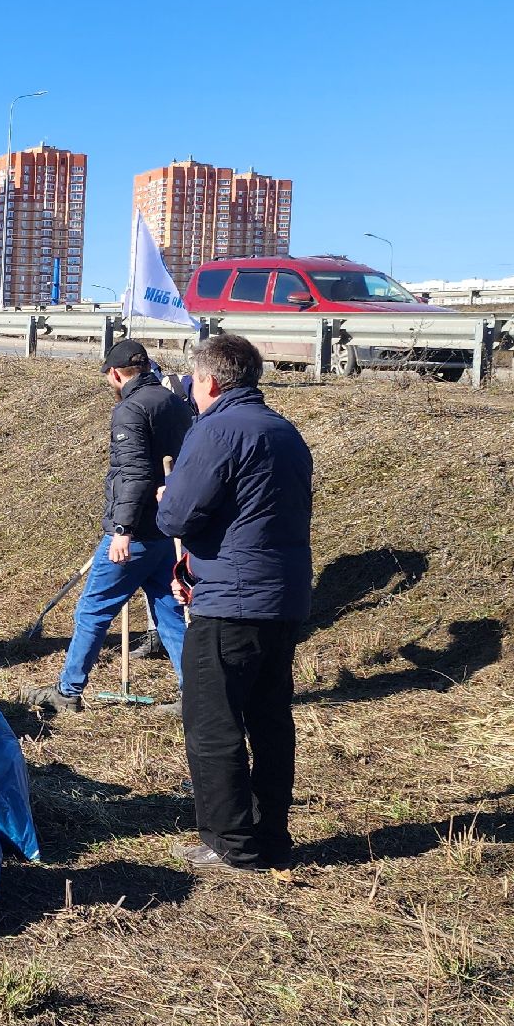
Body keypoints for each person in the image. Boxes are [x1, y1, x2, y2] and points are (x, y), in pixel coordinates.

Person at [158, 334, 313, 873]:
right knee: (270, 719)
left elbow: (177, 517)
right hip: (282, 595)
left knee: (213, 722)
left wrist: (168, 492)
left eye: (193, 382)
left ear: (210, 381)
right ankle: (270, 835)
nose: (192, 392)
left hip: (232, 602)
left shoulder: (216, 429)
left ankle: (229, 842)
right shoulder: (283, 430)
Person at [27, 339, 193, 714]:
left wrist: (122, 529)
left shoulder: (130, 410)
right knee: (168, 610)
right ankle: (192, 694)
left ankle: (68, 692)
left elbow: (133, 472)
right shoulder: (175, 403)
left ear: (116, 374)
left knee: (91, 609)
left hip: (134, 535)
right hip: (169, 531)